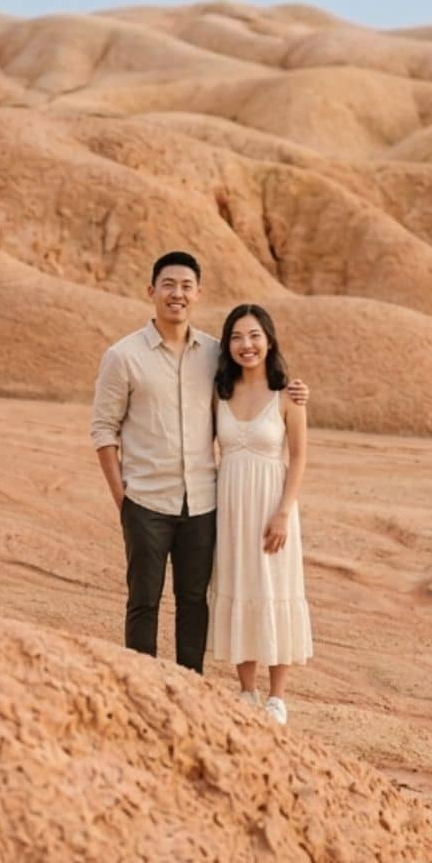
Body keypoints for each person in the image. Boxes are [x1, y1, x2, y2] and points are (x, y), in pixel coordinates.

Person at [91, 252, 307, 673]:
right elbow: (103, 431)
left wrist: (295, 393)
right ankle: (142, 686)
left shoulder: (213, 353)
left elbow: (256, 380)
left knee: (195, 602)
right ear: (152, 291)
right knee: (144, 601)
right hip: (146, 501)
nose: (178, 294)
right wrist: (124, 501)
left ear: (198, 294)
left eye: (186, 286)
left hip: (203, 504)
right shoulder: (123, 356)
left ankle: (189, 688)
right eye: (169, 285)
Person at [208, 304, 313, 725]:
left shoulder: (288, 396)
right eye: (236, 337)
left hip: (272, 502)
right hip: (231, 504)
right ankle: (247, 691)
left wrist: (284, 513)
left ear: (268, 340)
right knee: (239, 581)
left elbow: (301, 457)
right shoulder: (218, 392)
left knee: (275, 586)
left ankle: (277, 698)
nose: (245, 345)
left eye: (253, 336)